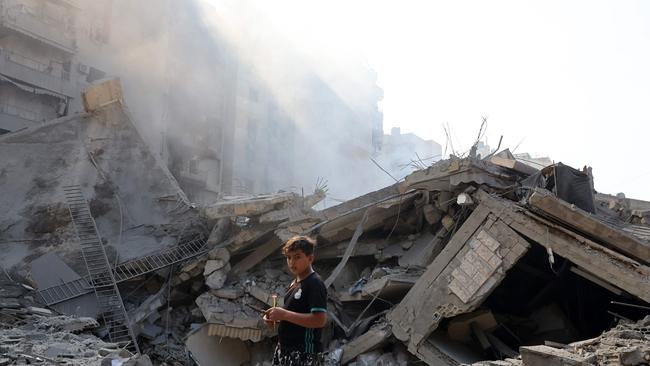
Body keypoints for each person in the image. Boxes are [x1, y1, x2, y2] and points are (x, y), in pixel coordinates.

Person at [264, 236, 328, 366]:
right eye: (289, 257)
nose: (292, 262)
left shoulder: (314, 283)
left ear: (310, 258)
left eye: (297, 257)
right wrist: (275, 319)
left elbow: (319, 320)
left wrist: (284, 314)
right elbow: (295, 316)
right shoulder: (294, 283)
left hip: (304, 354)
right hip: (286, 351)